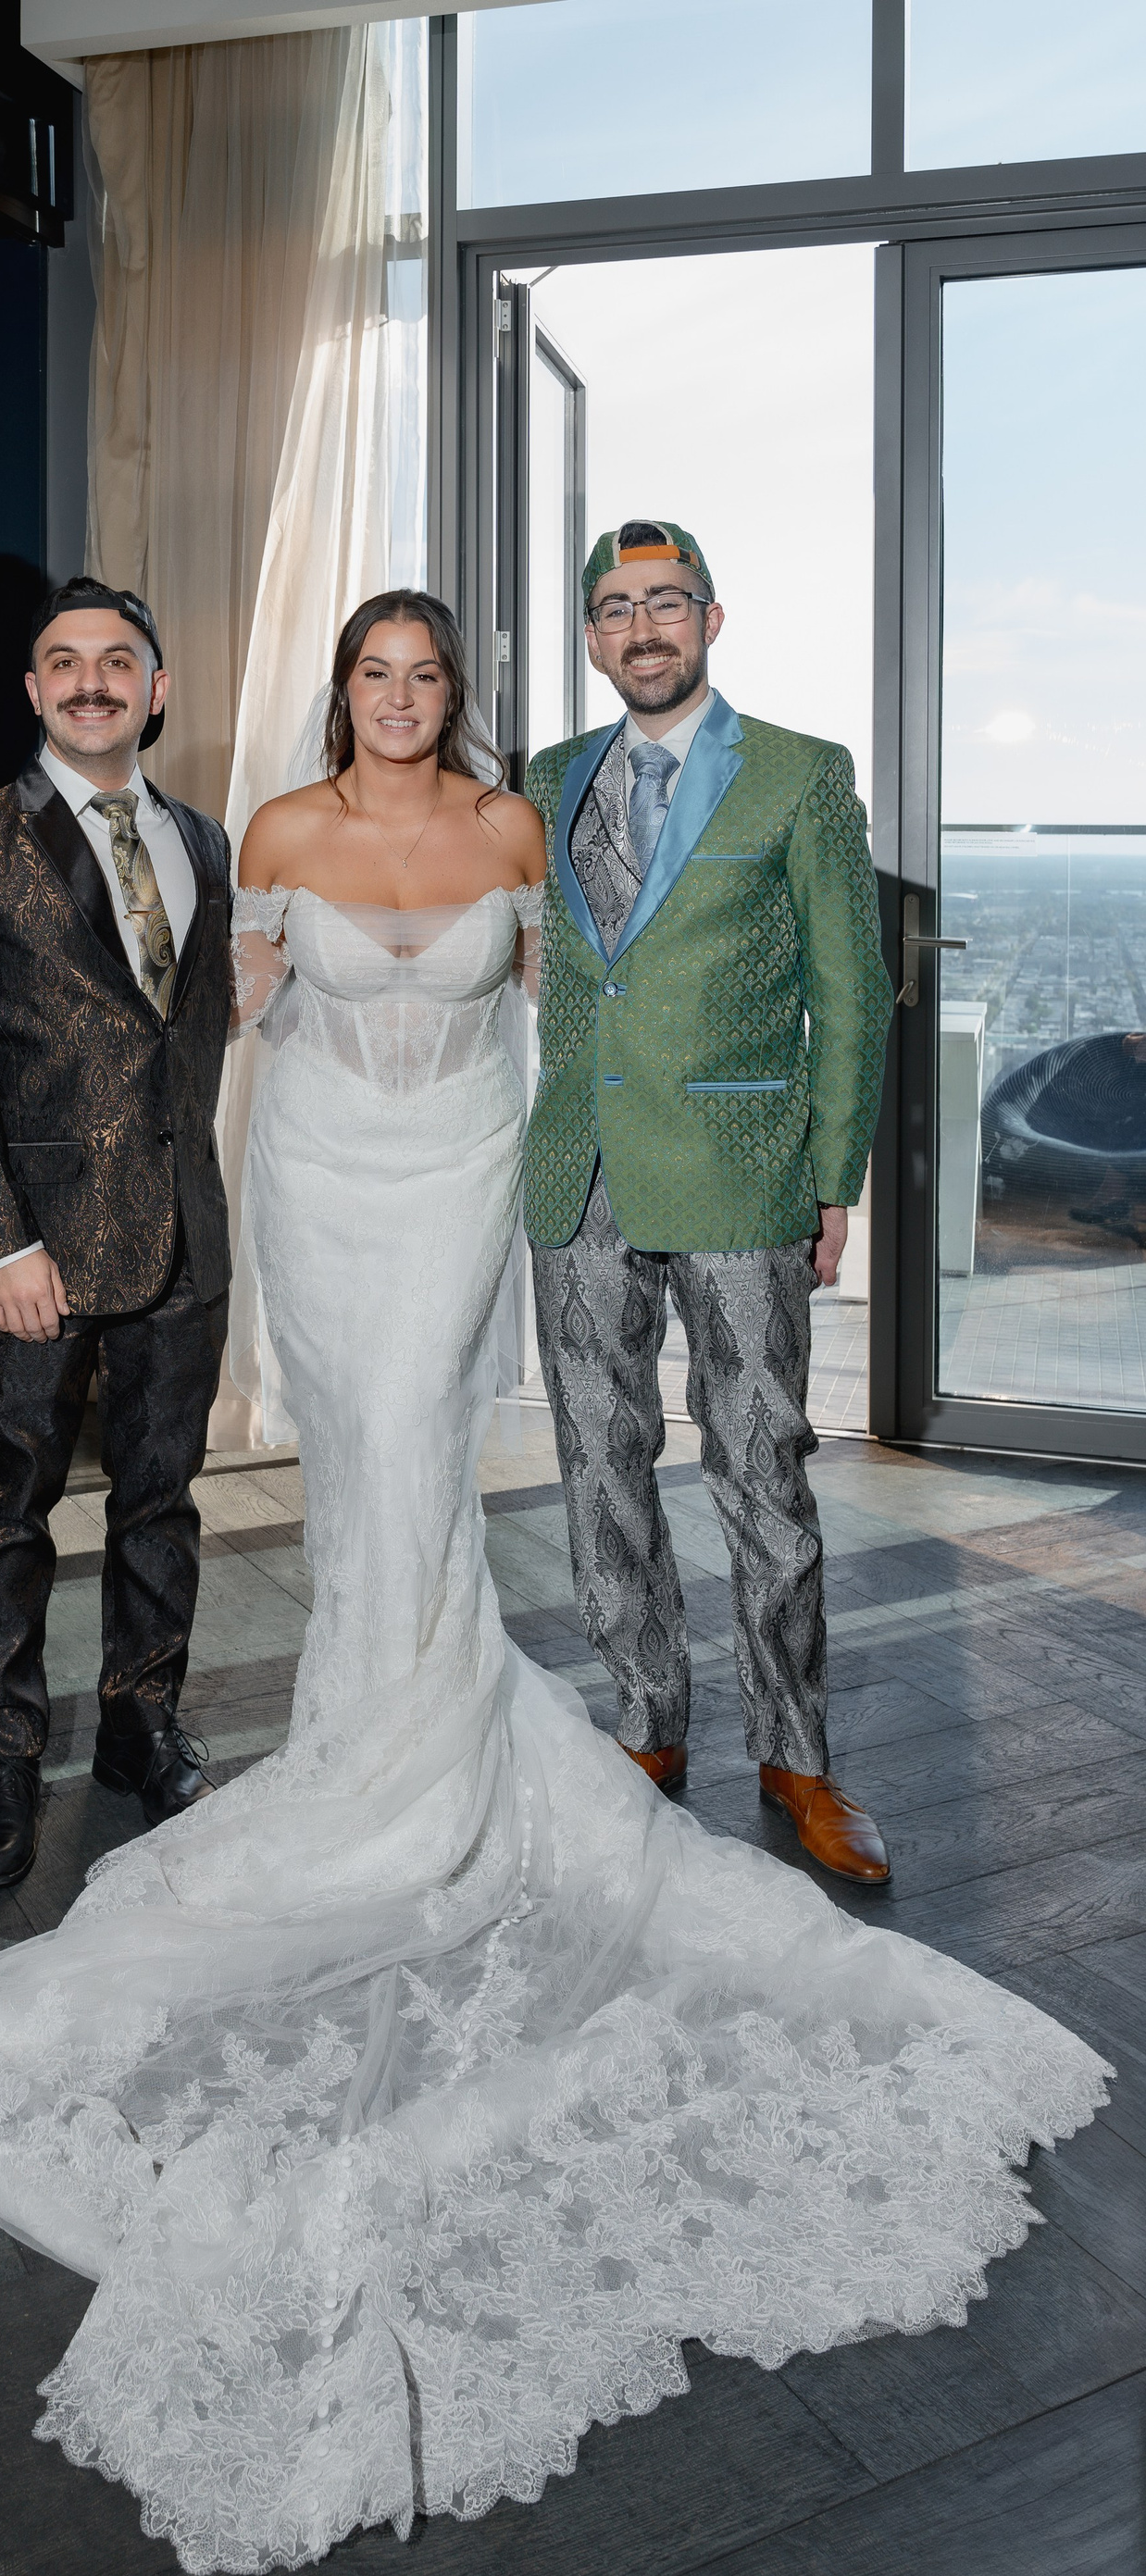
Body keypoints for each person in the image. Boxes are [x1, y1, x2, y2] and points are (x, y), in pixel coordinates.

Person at [0, 589, 1106, 2576]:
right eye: (373, 673)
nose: (398, 698)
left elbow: (583, 1006)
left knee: (421, 1463)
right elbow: (200, 1027)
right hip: (315, 1186)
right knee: (349, 1464)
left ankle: (422, 1746)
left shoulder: (522, 826)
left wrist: (747, 1154)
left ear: (457, 698)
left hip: (456, 1189)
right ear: (339, 693)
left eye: (426, 675)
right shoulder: (266, 831)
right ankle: (364, 1742)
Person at [526, 521, 894, 1882]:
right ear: (591, 636)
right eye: (617, 608)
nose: (644, 628)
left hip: (742, 1173)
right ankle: (647, 1728)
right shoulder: (548, 777)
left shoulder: (801, 773)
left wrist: (834, 1176)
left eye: (667, 602)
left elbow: (853, 995)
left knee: (761, 1469)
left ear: (712, 619)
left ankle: (797, 1759)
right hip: (579, 1170)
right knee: (598, 1463)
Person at [0, 579, 232, 1891]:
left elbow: (191, 1031)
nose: (91, 681)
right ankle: (5, 1754)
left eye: (117, 660)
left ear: (156, 689)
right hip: (34, 1248)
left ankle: (138, 1722)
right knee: (10, 1508)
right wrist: (1, 1242)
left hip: (183, 1234)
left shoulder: (205, 839)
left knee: (162, 1499)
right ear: (33, 690)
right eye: (64, 661)